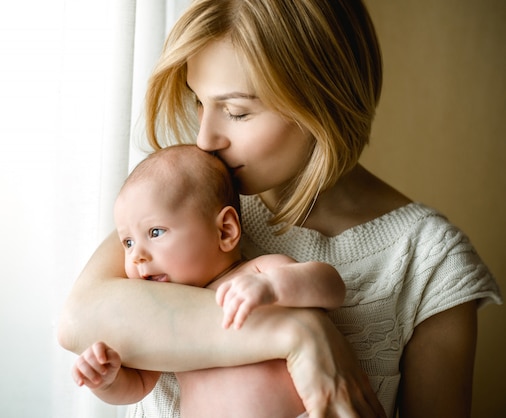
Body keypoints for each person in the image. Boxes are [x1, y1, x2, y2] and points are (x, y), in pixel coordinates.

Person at [58, 1, 502, 417]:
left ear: (321, 99)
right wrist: (301, 335)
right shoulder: (185, 205)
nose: (206, 139)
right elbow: (78, 322)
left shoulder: (429, 259)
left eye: (236, 111)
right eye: (199, 101)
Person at [72, 144, 346, 418]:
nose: (137, 256)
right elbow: (140, 385)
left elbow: (332, 287)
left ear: (225, 230)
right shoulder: (161, 314)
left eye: (155, 232)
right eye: (128, 242)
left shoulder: (256, 274)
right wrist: (107, 381)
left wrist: (273, 287)